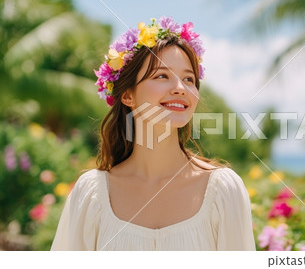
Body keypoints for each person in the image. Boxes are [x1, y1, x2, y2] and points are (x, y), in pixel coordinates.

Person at [50, 16, 255, 250]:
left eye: (189, 79)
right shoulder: (91, 194)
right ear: (128, 95)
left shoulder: (223, 191)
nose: (181, 88)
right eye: (162, 76)